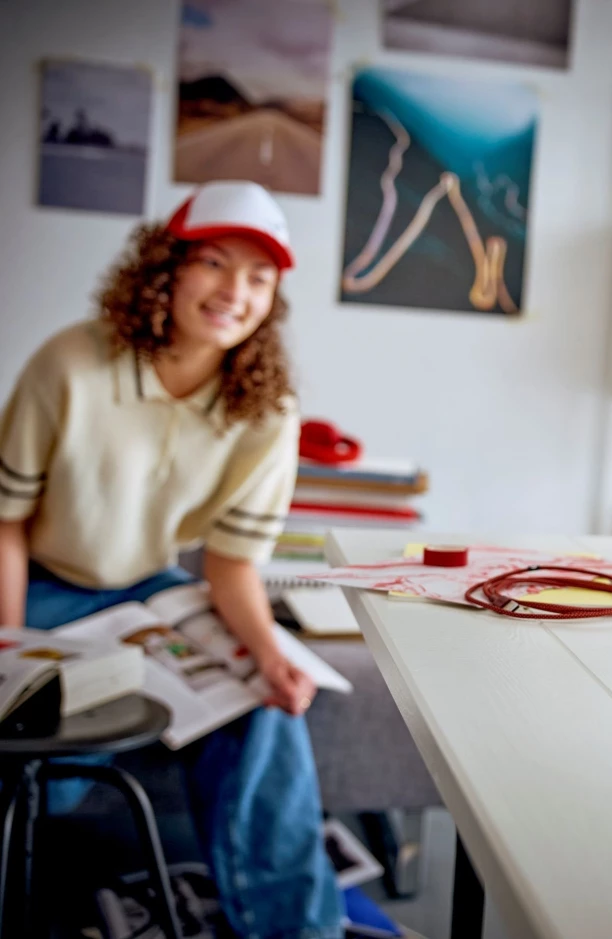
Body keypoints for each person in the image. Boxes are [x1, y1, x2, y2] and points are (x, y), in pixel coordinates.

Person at [0, 181, 343, 937]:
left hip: (151, 588)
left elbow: (230, 564)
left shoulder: (267, 408)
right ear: (167, 269)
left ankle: (296, 931)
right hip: (40, 581)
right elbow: (6, 523)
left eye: (259, 277)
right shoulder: (70, 363)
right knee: (33, 739)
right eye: (215, 264)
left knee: (265, 701)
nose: (235, 292)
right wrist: (10, 642)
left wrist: (267, 653)